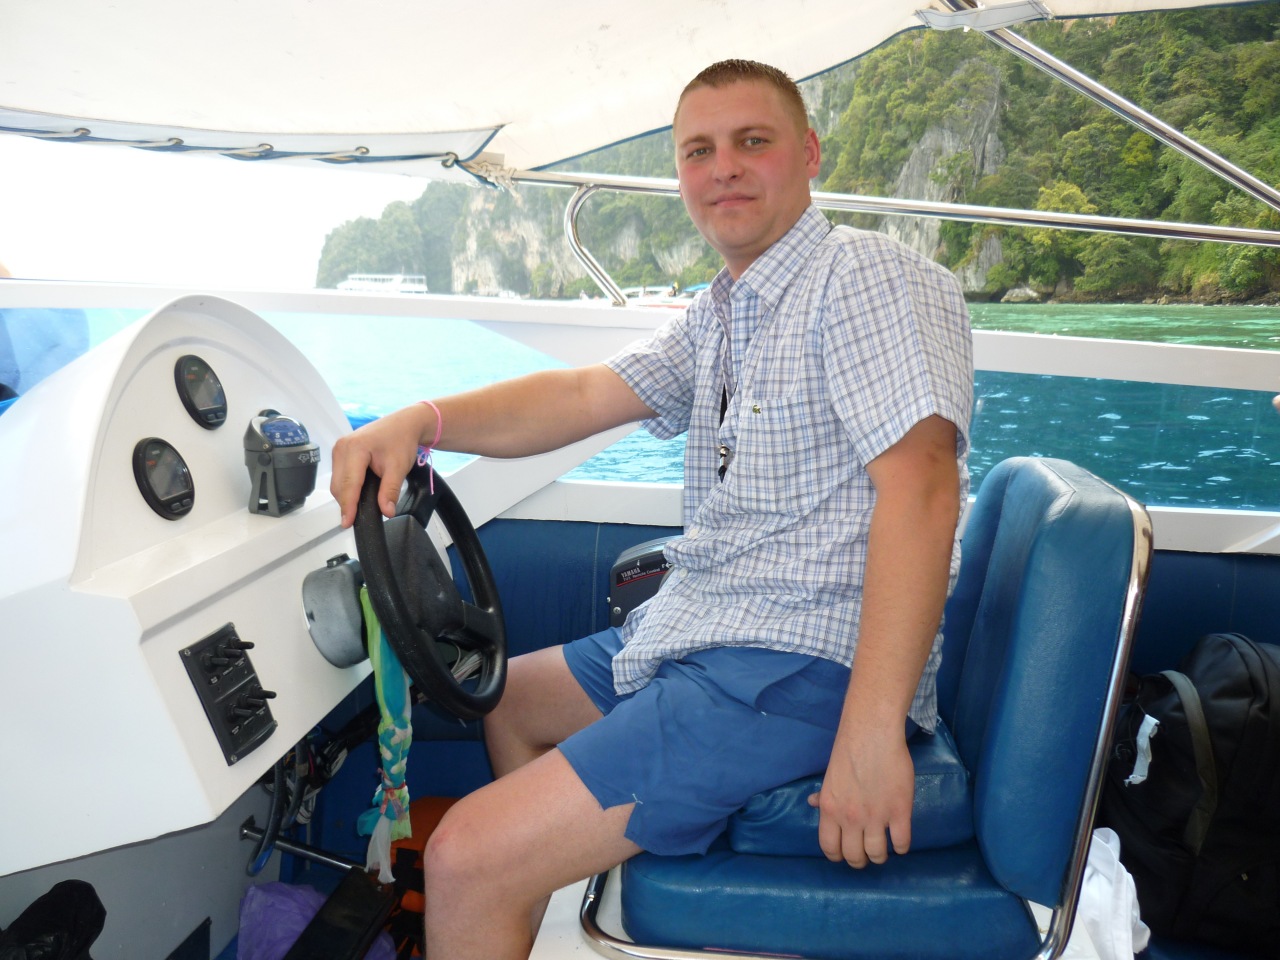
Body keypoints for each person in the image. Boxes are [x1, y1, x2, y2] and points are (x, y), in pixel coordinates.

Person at [330, 59, 973, 960]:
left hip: (796, 667)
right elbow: (585, 394)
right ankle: (531, 897)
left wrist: (871, 736)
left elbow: (924, 488)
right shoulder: (726, 312)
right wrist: (424, 421)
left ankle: (497, 883)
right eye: (698, 151)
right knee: (509, 703)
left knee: (465, 855)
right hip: (708, 630)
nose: (723, 168)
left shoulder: (863, 278)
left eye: (752, 141)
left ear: (808, 153)